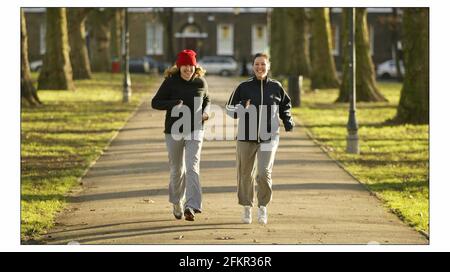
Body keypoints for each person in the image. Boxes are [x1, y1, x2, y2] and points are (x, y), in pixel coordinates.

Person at [225, 53, 294, 224]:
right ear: (252, 66)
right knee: (244, 173)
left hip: (269, 136)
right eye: (257, 64)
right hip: (245, 137)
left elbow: (286, 104)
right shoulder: (243, 86)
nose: (260, 68)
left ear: (268, 66)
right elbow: (229, 109)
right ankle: (247, 207)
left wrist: (287, 120)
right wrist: (241, 107)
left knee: (264, 172)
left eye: (263, 64)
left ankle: (263, 207)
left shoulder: (276, 87)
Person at [151, 49, 210, 221]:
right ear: (179, 66)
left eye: (191, 65)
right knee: (177, 169)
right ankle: (177, 201)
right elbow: (155, 102)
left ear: (195, 66)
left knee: (192, 167)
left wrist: (205, 112)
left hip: (195, 129)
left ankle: (191, 206)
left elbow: (207, 99)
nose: (188, 69)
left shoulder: (201, 82)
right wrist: (173, 104)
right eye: (185, 65)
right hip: (174, 131)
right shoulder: (170, 83)